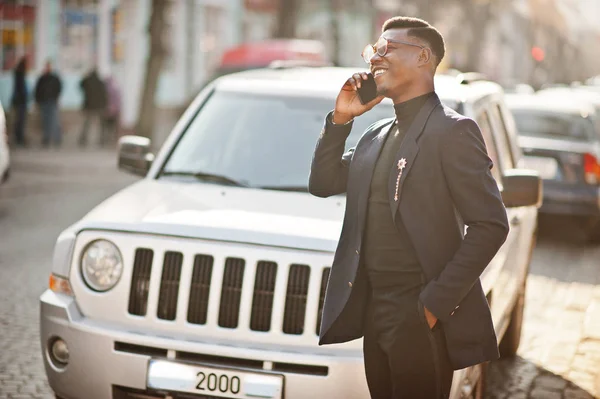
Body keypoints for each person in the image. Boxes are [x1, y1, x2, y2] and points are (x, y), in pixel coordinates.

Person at [309, 17, 509, 398]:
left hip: (419, 314)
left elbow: (490, 225)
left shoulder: (453, 131)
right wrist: (340, 120)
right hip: (374, 310)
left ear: (422, 57)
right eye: (374, 50)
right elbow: (322, 183)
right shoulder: (376, 135)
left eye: (387, 49)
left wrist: (433, 306)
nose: (375, 59)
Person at [34, 60, 63, 148]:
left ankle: (57, 139)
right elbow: (37, 90)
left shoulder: (54, 78)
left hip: (52, 101)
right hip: (44, 102)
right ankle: (46, 139)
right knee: (45, 121)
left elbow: (59, 88)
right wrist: (38, 100)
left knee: (54, 120)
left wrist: (56, 98)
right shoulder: (42, 78)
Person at [78, 68, 107, 147]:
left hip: (89, 106)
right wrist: (105, 105)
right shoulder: (100, 82)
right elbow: (104, 95)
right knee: (101, 125)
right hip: (99, 106)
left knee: (87, 123)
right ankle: (102, 140)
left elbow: (81, 85)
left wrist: (85, 76)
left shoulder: (87, 81)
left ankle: (83, 139)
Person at [11, 56, 28, 147]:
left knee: (19, 120)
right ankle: (19, 138)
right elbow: (20, 90)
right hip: (20, 101)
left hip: (19, 101)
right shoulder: (20, 75)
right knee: (20, 121)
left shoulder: (19, 74)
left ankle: (19, 138)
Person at [103, 75, 121, 142]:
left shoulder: (105, 89)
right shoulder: (116, 89)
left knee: (107, 126)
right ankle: (110, 139)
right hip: (114, 111)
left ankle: (107, 139)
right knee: (111, 127)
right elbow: (118, 101)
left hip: (108, 110)